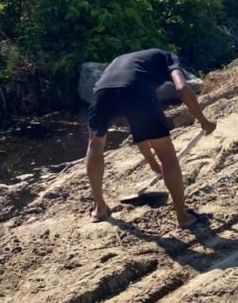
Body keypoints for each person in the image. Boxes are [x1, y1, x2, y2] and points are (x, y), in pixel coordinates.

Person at [85, 49, 216, 229]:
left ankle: (99, 208)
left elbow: (137, 127)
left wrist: (153, 164)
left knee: (95, 145)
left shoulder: (122, 59)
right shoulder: (168, 57)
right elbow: (181, 88)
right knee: (167, 154)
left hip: (102, 92)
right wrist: (203, 121)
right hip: (137, 91)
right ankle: (183, 217)